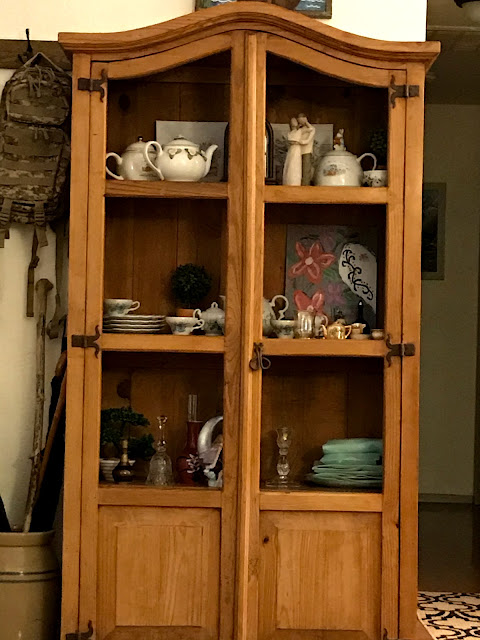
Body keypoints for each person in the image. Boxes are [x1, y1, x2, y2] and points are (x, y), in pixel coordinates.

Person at [282, 117, 303, 185]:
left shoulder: (299, 131)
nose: (293, 123)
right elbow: (290, 140)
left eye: (294, 121)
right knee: (290, 164)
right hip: (291, 149)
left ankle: (295, 182)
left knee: (295, 164)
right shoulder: (290, 133)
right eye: (292, 121)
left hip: (297, 149)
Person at [297, 113, 316, 185]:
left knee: (306, 170)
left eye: (301, 120)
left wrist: (298, 141)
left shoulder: (311, 129)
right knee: (299, 170)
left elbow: (306, 141)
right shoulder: (301, 129)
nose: (300, 122)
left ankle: (305, 185)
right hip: (299, 151)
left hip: (307, 151)